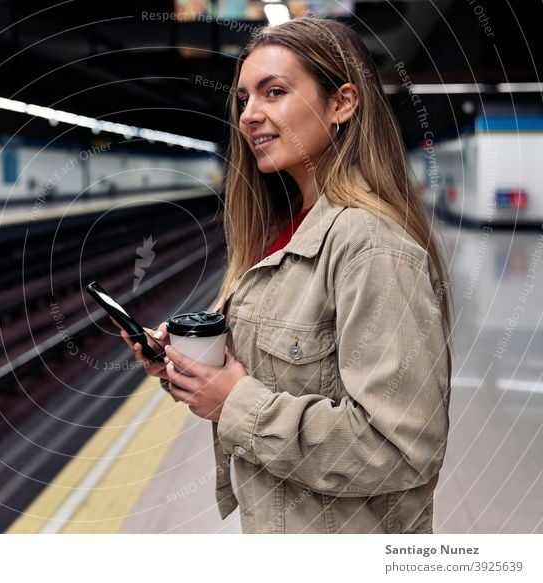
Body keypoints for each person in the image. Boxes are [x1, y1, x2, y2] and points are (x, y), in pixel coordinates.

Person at [118, 16, 451, 534]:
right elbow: (275, 379)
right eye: (244, 99)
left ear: (341, 102)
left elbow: (401, 450)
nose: (250, 114)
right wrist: (191, 368)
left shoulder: (371, 247)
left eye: (274, 92)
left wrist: (236, 403)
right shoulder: (280, 231)